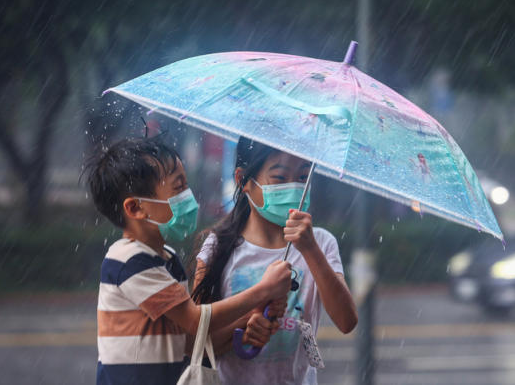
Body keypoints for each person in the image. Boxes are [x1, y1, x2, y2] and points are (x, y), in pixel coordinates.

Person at [85, 135, 292, 385]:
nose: (188, 196)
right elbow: (195, 319)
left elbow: (192, 342)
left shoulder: (167, 259)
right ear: (136, 208)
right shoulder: (129, 260)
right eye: (178, 187)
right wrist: (264, 290)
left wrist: (250, 319)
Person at [192, 137, 358, 384]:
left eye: (302, 178)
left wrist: (310, 249)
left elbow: (346, 321)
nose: (293, 188)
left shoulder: (321, 243)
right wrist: (244, 328)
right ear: (243, 180)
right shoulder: (218, 247)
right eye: (279, 178)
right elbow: (195, 340)